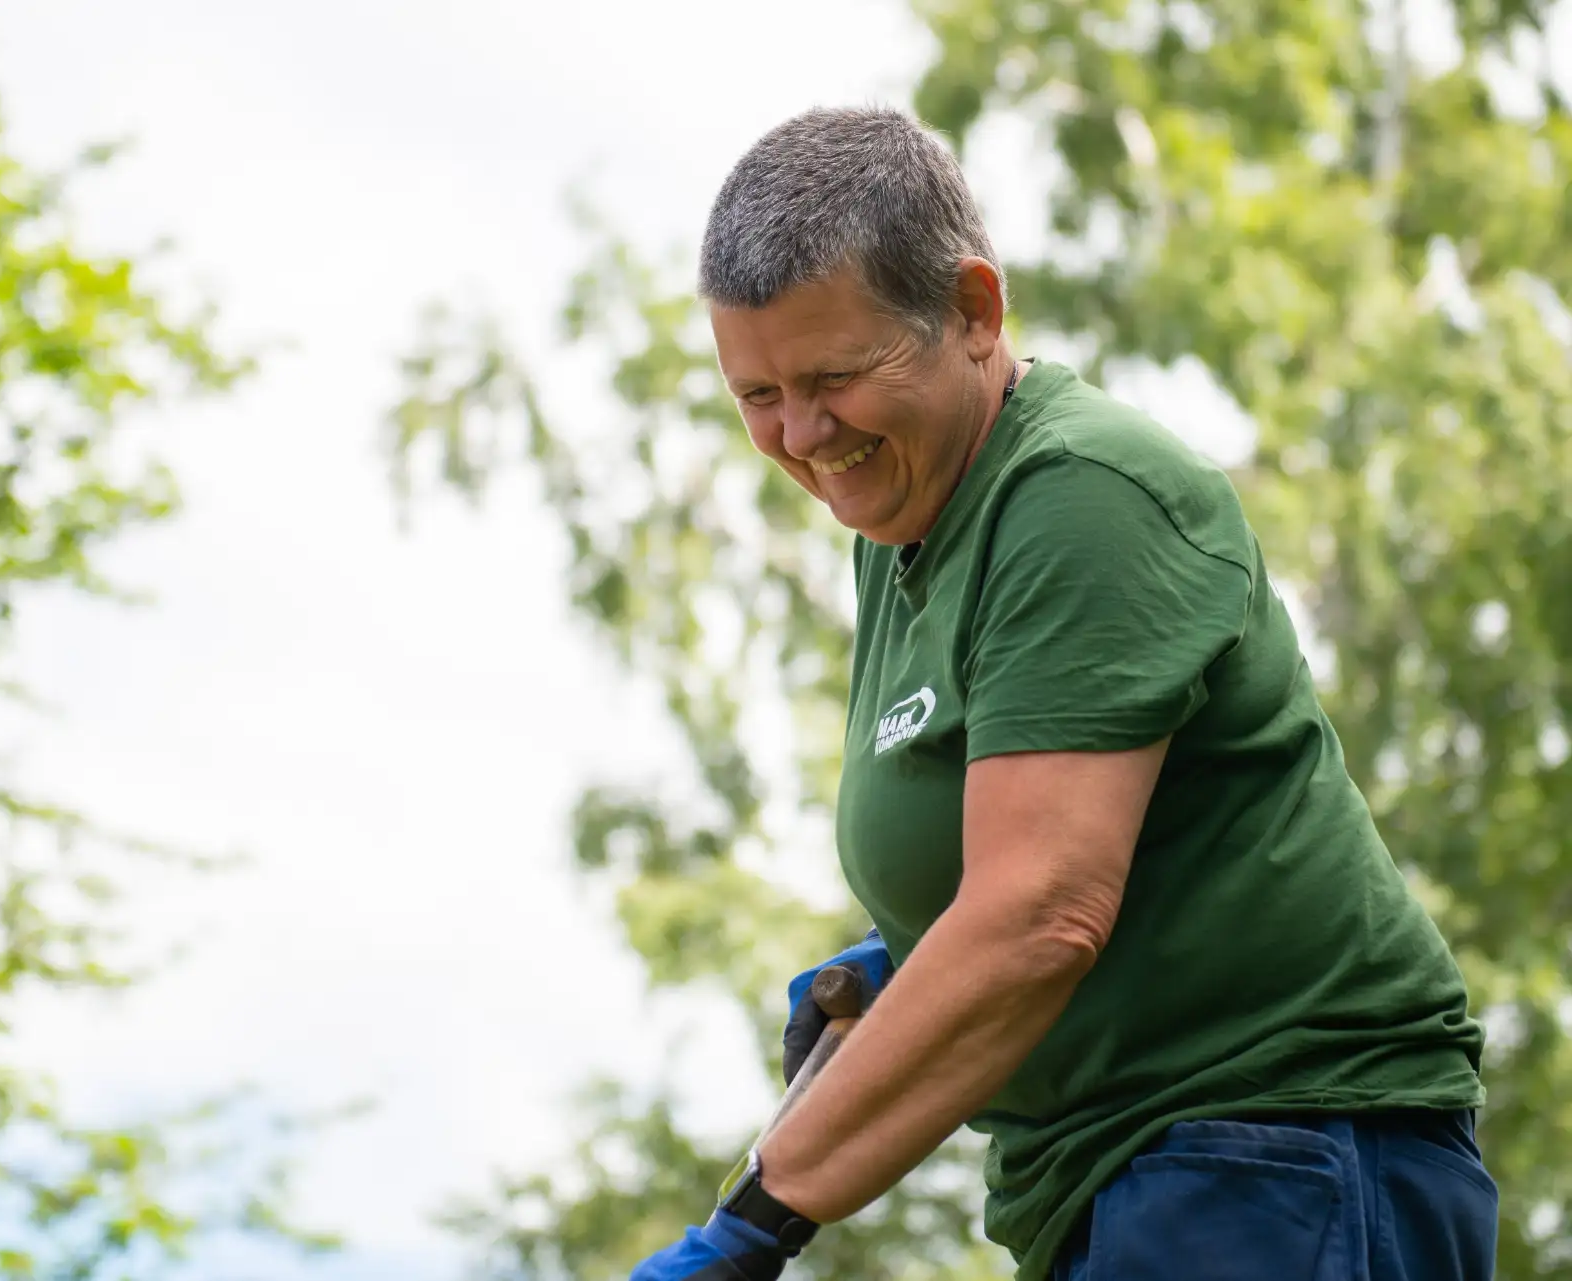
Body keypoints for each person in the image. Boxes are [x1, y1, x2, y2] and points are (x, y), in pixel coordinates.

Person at [630, 106, 1497, 1281]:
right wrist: (905, 960)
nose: (800, 433)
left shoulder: (1082, 494)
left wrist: (749, 1228)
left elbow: (1041, 915)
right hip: (1138, 1179)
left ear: (974, 312)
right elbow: (1060, 843)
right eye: (758, 396)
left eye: (834, 376)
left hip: (1276, 1159)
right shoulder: (902, 538)